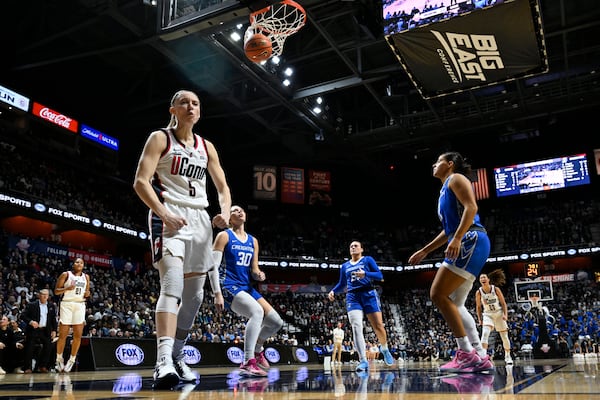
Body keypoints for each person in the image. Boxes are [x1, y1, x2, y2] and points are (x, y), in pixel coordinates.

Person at [133, 89, 231, 389]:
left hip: (201, 220)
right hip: (169, 217)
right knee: (172, 284)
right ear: (173, 109)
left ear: (200, 112)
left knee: (195, 297)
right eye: (185, 102)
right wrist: (164, 214)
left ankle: (176, 355)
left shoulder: (207, 146)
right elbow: (140, 181)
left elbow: (223, 188)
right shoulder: (160, 139)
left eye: (196, 103)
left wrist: (224, 213)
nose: (191, 106)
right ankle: (162, 361)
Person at [408, 151, 493, 373]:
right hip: (469, 239)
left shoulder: (456, 178)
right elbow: (449, 230)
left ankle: (466, 353)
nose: (434, 165)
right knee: (455, 304)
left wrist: (457, 238)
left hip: (470, 239)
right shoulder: (444, 189)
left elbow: (472, 207)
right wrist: (425, 250)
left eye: (437, 162)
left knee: (437, 294)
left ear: (450, 164)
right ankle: (480, 354)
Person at [213, 205, 284, 377]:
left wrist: (258, 275)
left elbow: (254, 269)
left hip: (246, 286)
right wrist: (217, 293)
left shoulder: (253, 241)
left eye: (241, 210)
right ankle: (247, 361)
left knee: (276, 322)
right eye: (234, 210)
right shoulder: (223, 236)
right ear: (229, 218)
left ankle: (258, 350)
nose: (239, 212)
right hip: (229, 285)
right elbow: (212, 266)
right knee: (257, 312)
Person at [328, 240, 395, 372]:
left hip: (368, 293)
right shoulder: (345, 266)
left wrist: (366, 274)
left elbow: (379, 275)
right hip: (352, 297)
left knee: (378, 326)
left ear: (361, 249)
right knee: (356, 327)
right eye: (351, 246)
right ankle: (363, 360)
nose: (353, 248)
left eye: (355, 246)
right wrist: (333, 291)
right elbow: (342, 283)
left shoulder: (368, 260)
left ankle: (385, 349)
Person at [54, 257, 91, 373]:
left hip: (80, 305)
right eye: (77, 262)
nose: (79, 264)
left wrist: (87, 294)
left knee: (78, 335)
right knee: (63, 335)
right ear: (73, 264)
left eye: (81, 262)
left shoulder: (86, 277)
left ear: (83, 265)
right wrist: (67, 288)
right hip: (67, 304)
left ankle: (72, 360)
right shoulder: (66, 274)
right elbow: (56, 291)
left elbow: (87, 293)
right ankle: (59, 359)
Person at [475, 269, 513, 365]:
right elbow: (478, 307)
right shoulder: (479, 292)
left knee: (504, 336)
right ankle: (483, 356)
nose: (482, 279)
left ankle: (508, 356)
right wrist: (479, 319)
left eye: (484, 277)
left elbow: (503, 303)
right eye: (481, 278)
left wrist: (505, 315)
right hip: (487, 314)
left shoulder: (495, 289)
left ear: (488, 279)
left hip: (498, 313)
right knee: (485, 334)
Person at [20, 289, 58, 373]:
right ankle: (27, 367)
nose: (44, 296)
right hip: (33, 330)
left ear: (48, 296)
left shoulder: (51, 305)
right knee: (29, 348)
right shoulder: (32, 305)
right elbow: (22, 315)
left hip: (45, 330)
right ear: (39, 295)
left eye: (46, 295)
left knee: (48, 347)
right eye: (43, 294)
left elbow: (53, 319)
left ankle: (42, 366)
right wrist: (31, 322)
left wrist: (54, 330)